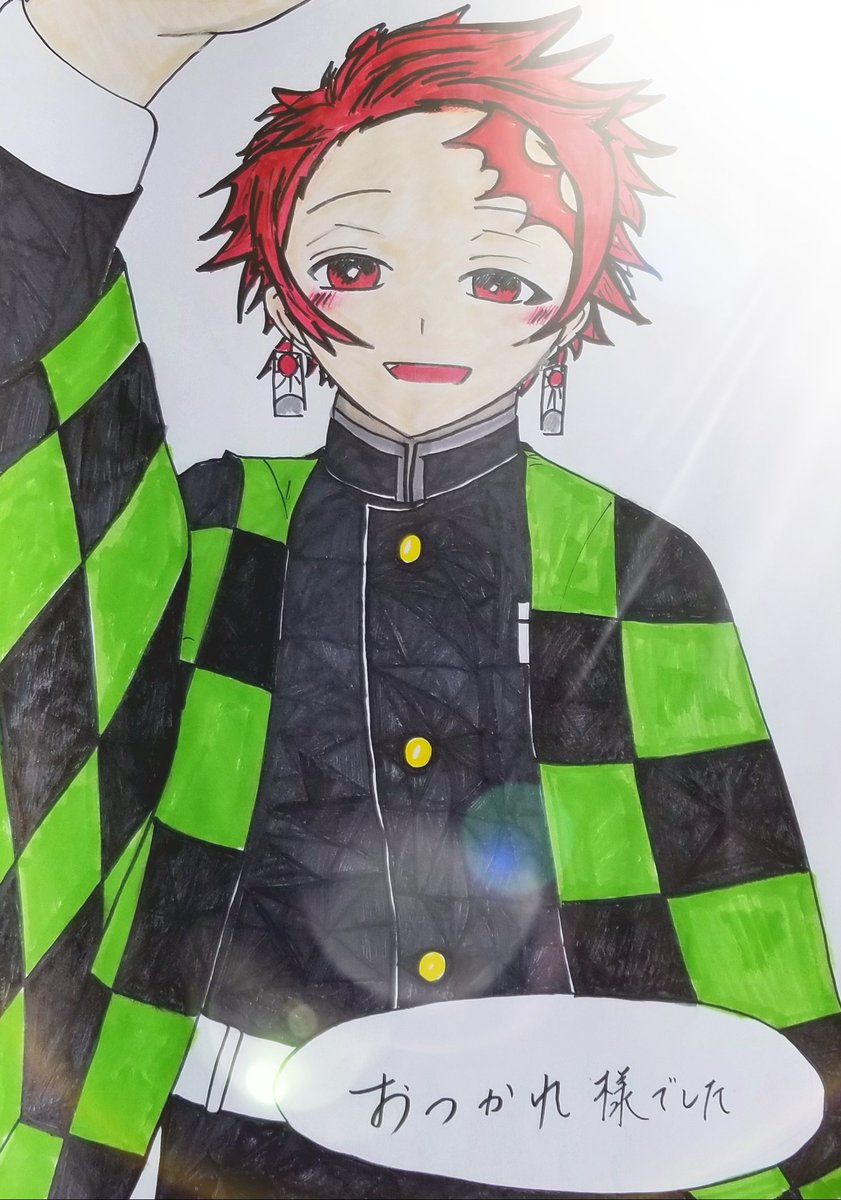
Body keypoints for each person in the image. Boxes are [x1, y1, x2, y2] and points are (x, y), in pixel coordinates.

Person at [1, 3, 840, 1199]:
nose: (429, 321)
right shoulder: (217, 526)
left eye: (498, 275)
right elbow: (47, 492)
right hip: (237, 1155)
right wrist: (94, 66)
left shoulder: (630, 559)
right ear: (279, 285)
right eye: (354, 266)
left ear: (575, 299)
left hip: (553, 1155)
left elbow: (741, 937)